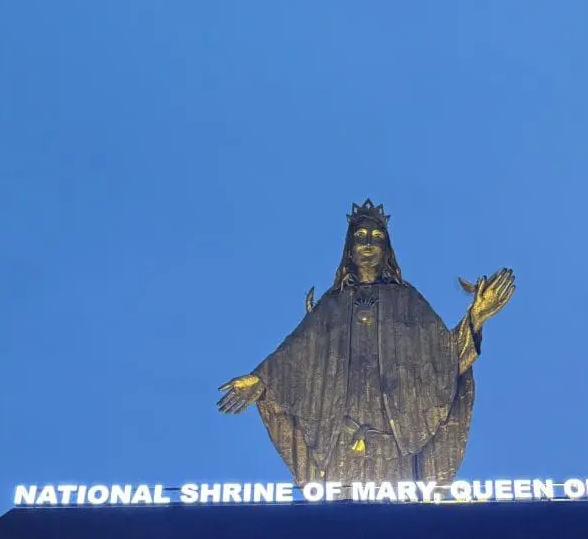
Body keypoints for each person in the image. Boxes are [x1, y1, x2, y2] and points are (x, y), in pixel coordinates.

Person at [218, 200, 513, 485]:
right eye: (360, 237)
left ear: (387, 250)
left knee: (399, 527)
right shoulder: (331, 306)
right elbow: (294, 357)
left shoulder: (408, 302)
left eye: (377, 237)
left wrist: (476, 316)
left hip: (394, 445)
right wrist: (261, 379)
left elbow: (445, 362)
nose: (368, 244)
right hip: (341, 445)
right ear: (349, 250)